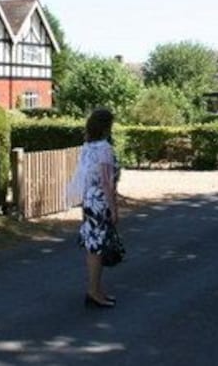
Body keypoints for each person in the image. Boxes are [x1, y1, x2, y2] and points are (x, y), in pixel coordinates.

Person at [74, 107, 122, 309]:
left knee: (94, 246)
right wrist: (114, 208)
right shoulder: (104, 148)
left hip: (89, 199)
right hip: (100, 201)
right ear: (106, 127)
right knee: (97, 248)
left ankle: (96, 289)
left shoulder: (87, 146)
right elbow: (106, 181)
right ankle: (93, 292)